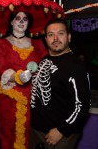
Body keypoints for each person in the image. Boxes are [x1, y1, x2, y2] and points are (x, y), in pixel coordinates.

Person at [0, 0, 65, 149]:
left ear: (29, 22)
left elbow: (47, 64)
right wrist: (17, 77)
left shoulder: (38, 44)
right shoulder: (1, 43)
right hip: (10, 98)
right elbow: (1, 68)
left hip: (35, 97)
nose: (22, 22)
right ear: (11, 22)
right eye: (18, 18)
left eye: (25, 19)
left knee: (34, 135)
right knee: (10, 134)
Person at [29, 18, 90, 149]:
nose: (55, 38)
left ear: (69, 37)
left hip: (59, 135)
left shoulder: (76, 66)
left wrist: (61, 130)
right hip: (36, 129)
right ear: (46, 39)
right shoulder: (45, 59)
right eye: (51, 34)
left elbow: (82, 105)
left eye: (60, 33)